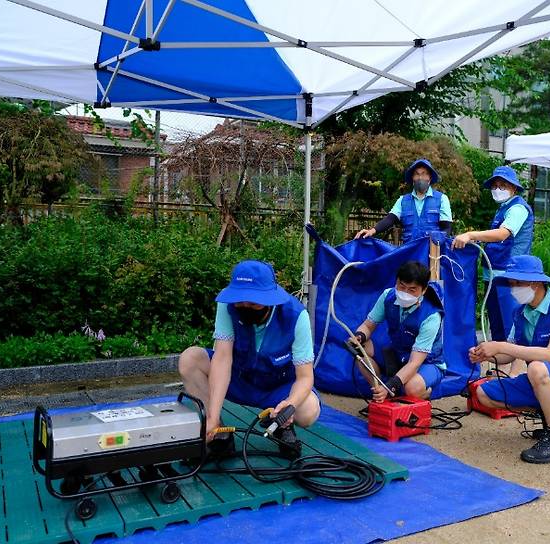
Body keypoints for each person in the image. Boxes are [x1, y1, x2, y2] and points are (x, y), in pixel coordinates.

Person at [179, 260, 320, 457]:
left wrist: (290, 404)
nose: (245, 306)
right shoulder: (226, 306)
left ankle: (279, 423)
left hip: (277, 388)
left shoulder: (296, 316)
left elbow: (305, 377)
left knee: (308, 410)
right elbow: (222, 358)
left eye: (253, 303)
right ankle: (219, 435)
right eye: (240, 302)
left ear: (270, 300)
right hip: (240, 380)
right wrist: (211, 417)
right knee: (190, 359)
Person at [469, 255, 550, 464]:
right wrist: (486, 353)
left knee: (538, 368)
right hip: (541, 381)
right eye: (511, 284)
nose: (513, 289)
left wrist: (501, 345)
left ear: (536, 282)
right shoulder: (520, 313)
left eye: (518, 283)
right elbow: (507, 355)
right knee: (483, 394)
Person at [452, 165, 534, 343]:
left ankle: (515, 369)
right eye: (495, 186)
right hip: (494, 274)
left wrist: (471, 234)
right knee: (496, 327)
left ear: (513, 187)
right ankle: (500, 368)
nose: (498, 189)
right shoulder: (503, 208)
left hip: (511, 276)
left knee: (512, 327)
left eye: (503, 185)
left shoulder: (518, 209)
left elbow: (503, 234)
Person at [349, 261, 445, 402]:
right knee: (360, 351)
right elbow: (368, 326)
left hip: (426, 362)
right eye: (402, 286)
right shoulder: (388, 295)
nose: (405, 293)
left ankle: (425, 392)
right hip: (398, 355)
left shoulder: (431, 316)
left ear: (423, 290)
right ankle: (381, 393)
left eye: (412, 290)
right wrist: (359, 336)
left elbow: (415, 362)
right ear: (396, 282)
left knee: (412, 388)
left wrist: (390, 386)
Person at [354, 158, 452, 243]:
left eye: (424, 174)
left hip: (432, 254)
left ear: (430, 178)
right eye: (417, 174)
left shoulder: (442, 199)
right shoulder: (402, 201)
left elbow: (446, 228)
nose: (420, 178)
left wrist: (438, 242)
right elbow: (390, 219)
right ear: (412, 178)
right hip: (409, 254)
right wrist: (372, 231)